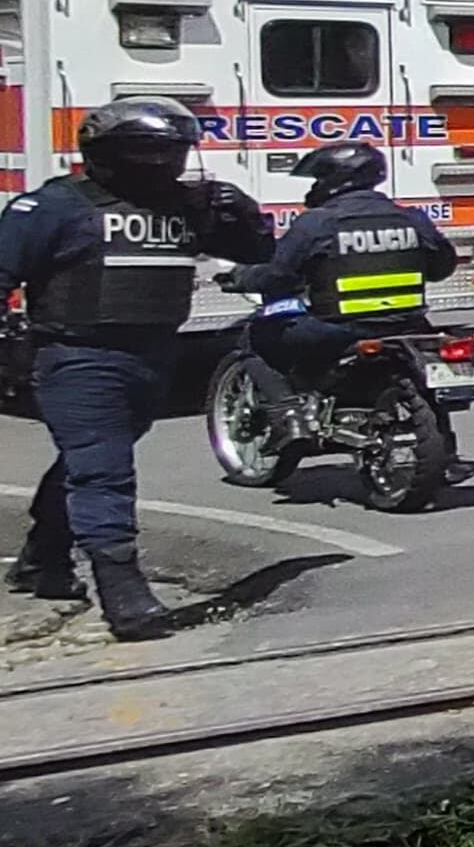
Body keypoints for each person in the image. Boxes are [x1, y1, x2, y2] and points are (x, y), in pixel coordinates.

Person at [0, 100, 274, 638]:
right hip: (78, 356)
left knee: (91, 461)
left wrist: (240, 213)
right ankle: (123, 593)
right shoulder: (56, 207)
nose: (161, 166)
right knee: (104, 468)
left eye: (171, 154)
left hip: (153, 356)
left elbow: (258, 253)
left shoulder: (187, 207)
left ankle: (44, 558)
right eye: (148, 154)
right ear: (106, 155)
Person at [231, 141, 461, 428]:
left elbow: (277, 273)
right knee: (427, 378)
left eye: (319, 178)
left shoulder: (317, 222)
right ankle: (448, 454)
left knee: (256, 335)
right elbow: (442, 268)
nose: (315, 186)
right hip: (408, 323)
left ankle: (288, 415)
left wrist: (240, 277)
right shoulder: (412, 218)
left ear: (335, 179)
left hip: (340, 328)